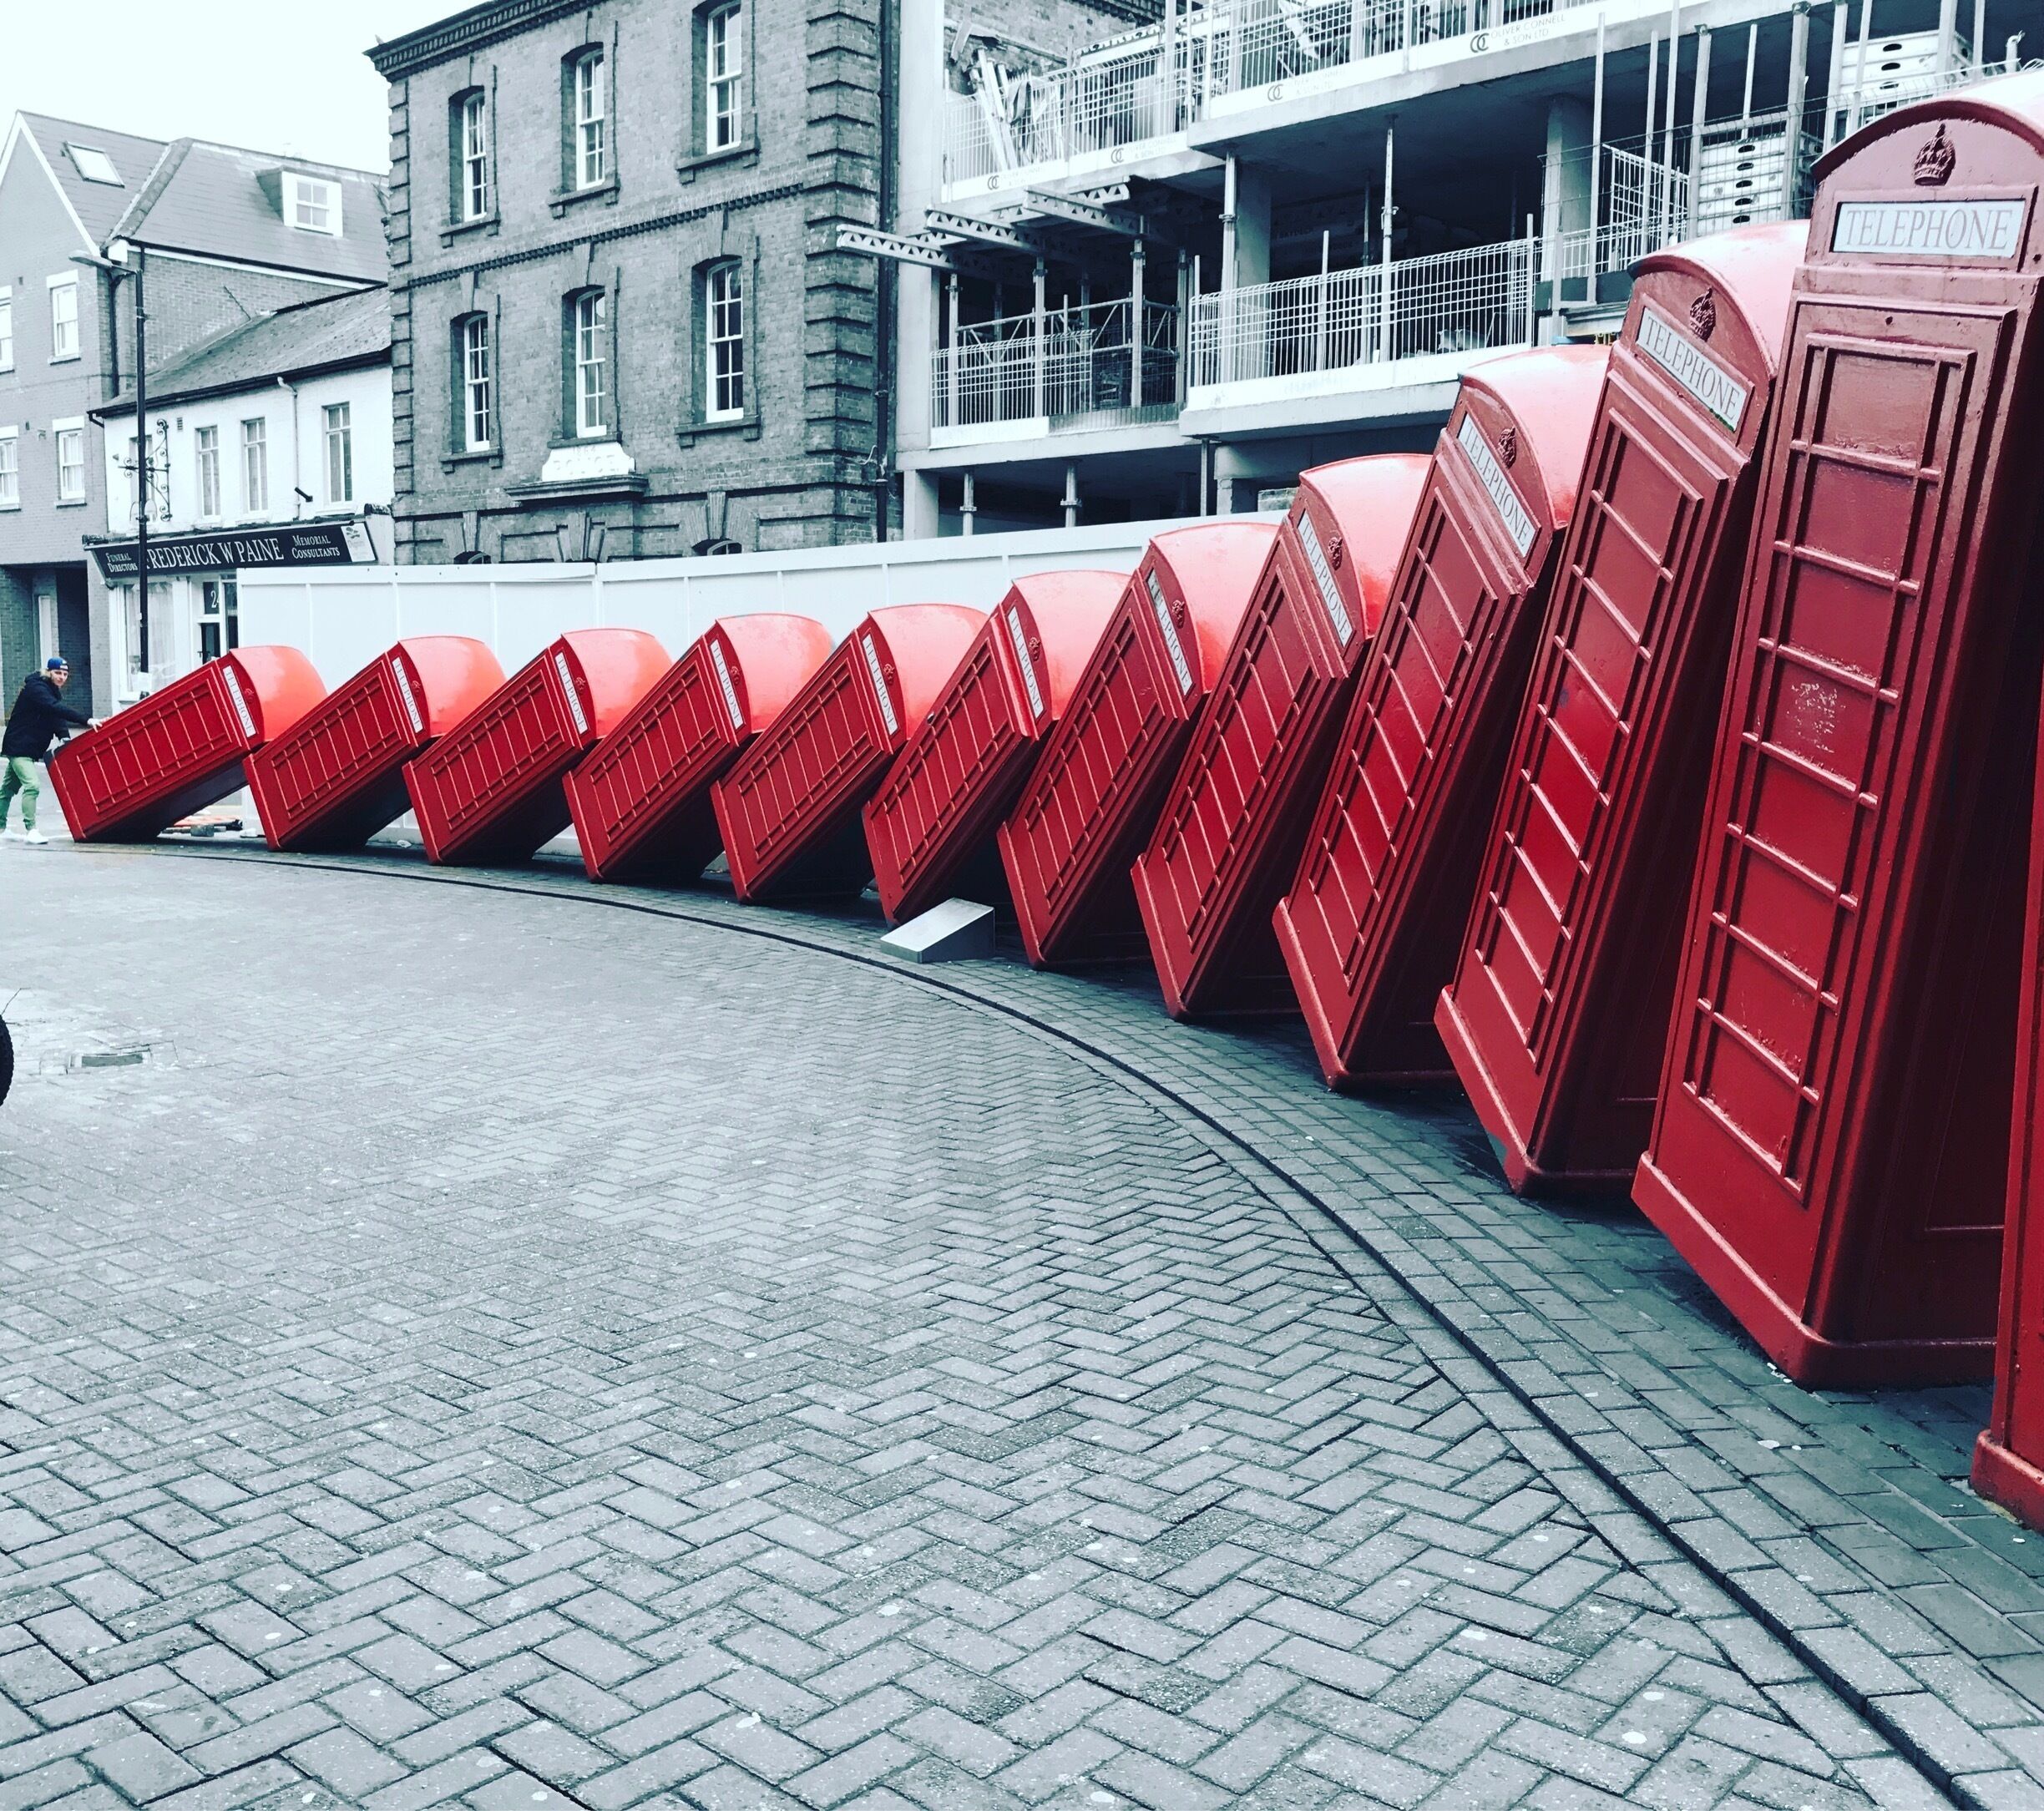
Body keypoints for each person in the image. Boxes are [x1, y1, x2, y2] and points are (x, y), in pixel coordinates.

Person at [3, 656, 93, 844]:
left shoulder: (52, 691)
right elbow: (54, 708)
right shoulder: (37, 688)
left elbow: (55, 716)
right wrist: (86, 720)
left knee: (8, 789)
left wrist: (64, 736)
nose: (61, 677)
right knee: (32, 786)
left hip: (29, 747)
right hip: (19, 746)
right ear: (49, 672)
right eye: (58, 673)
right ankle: (31, 830)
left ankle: (1, 828)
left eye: (65, 674)